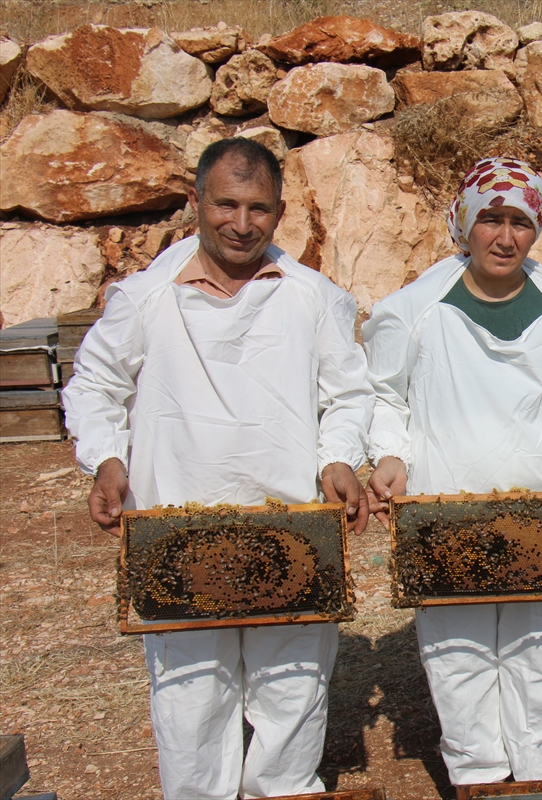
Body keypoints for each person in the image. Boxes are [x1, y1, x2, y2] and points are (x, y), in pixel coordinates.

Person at [62, 138, 373, 800]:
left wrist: (339, 457)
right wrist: (107, 458)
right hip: (176, 538)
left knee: (292, 697)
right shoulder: (145, 297)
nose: (241, 223)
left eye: (258, 208)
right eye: (226, 204)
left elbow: (347, 393)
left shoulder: (313, 297)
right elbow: (94, 385)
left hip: (292, 534)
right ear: (196, 202)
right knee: (190, 707)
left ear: (280, 212)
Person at [363, 157, 542, 785]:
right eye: (491, 220)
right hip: (444, 514)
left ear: (538, 230)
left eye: (521, 223)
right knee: (459, 661)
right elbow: (383, 393)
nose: (505, 237)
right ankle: (478, 780)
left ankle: (539, 783)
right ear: (464, 222)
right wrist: (390, 453)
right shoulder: (414, 309)